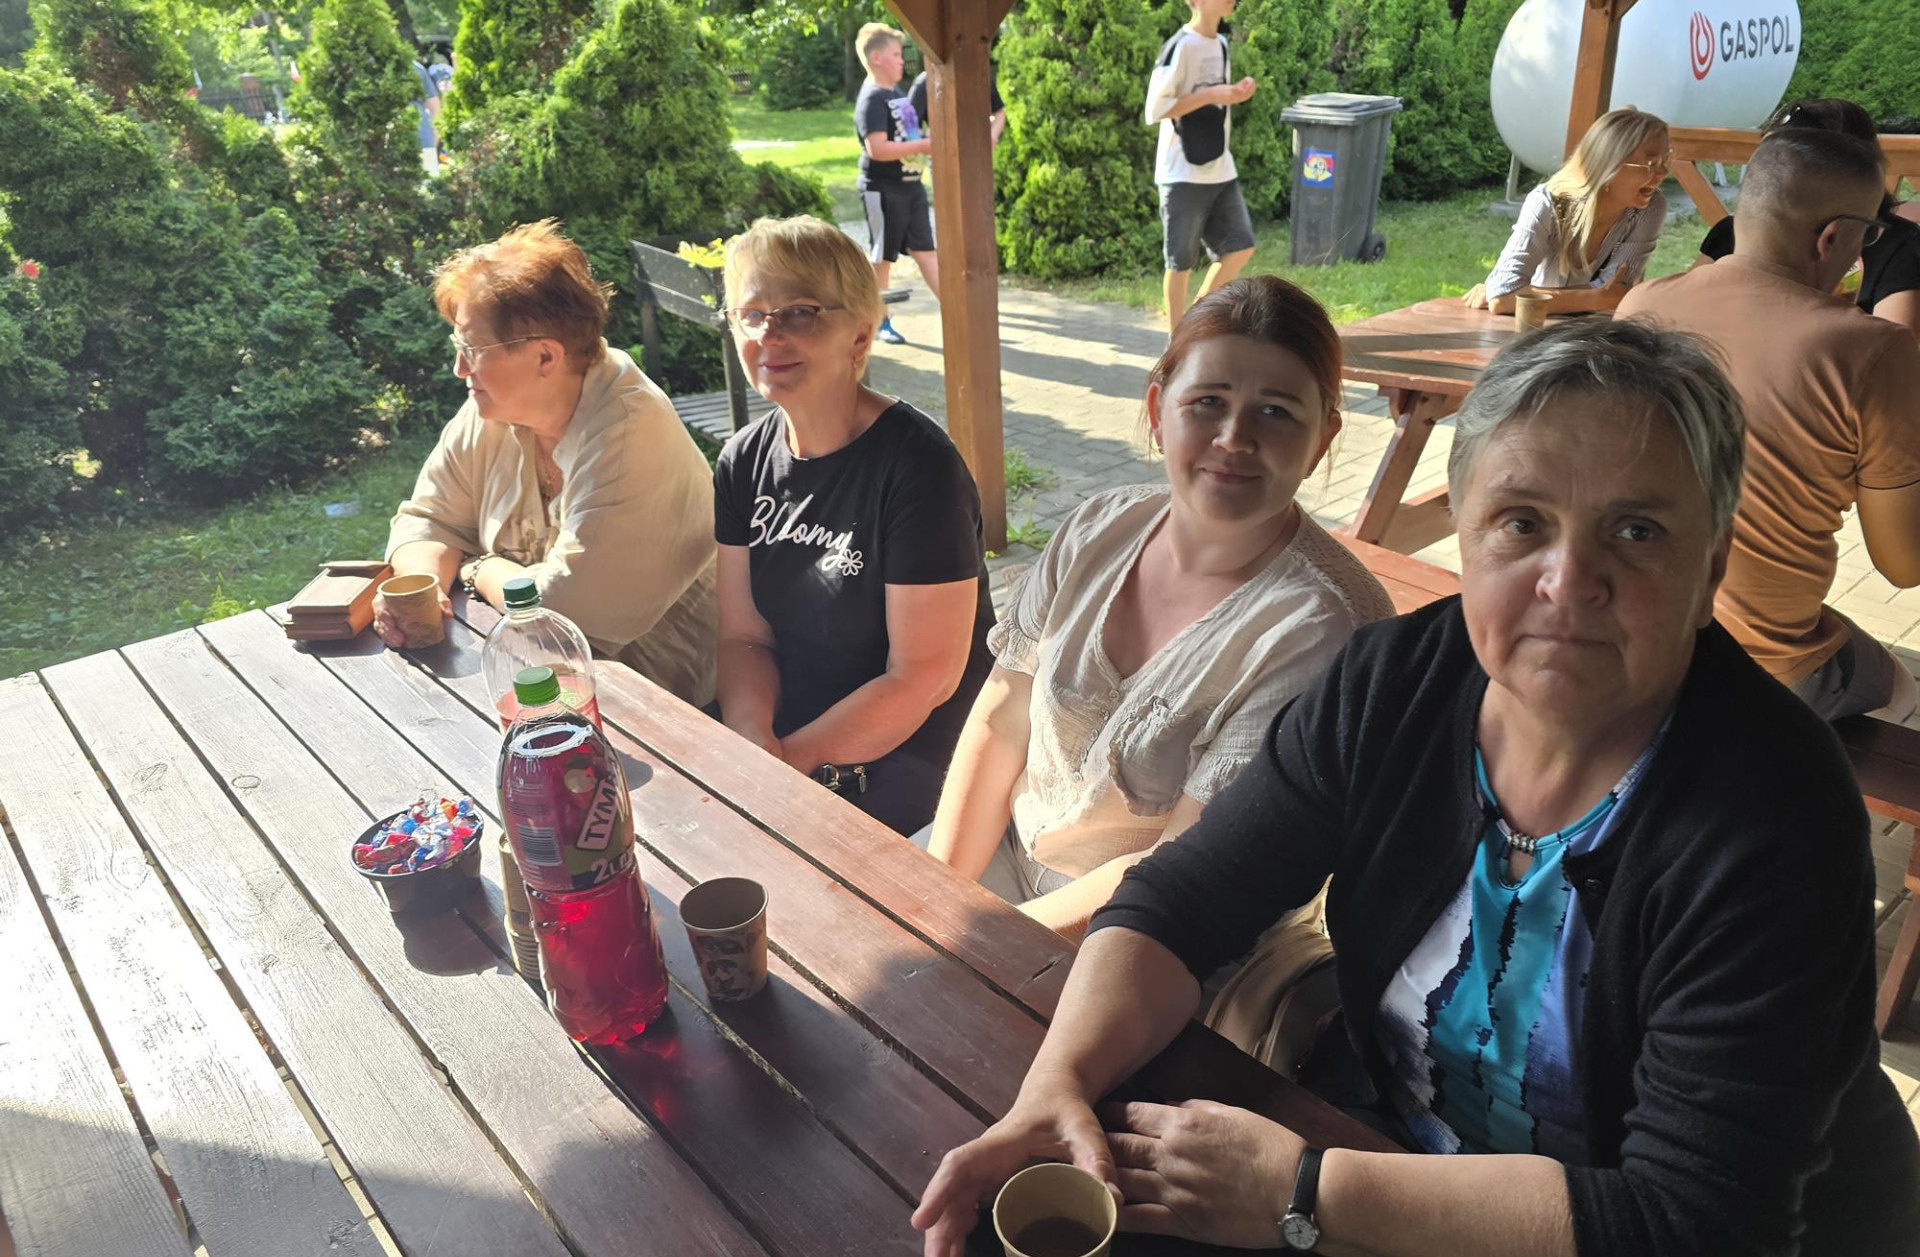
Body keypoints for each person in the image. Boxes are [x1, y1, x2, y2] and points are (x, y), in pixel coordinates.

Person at [912, 318, 1920, 1257]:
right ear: (1469, 536)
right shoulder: (1395, 681)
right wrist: (1053, 1088)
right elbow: (1182, 900)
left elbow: (1691, 1237)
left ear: (1711, 564)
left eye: (1637, 531)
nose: (1568, 581)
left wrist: (1302, 1192)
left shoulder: (1775, 816)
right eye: (1521, 522)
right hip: (1432, 1192)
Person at [922, 276, 1391, 939]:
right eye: (1208, 402)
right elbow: (1002, 718)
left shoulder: (1324, 628)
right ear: (1157, 409)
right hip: (1005, 858)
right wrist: (934, 897)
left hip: (1152, 939)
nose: (1235, 437)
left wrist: (967, 954)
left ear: (1321, 439)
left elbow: (1178, 867)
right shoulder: (1097, 528)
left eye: (1276, 411)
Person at [1621, 127, 1920, 721]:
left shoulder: (1640, 306)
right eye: (1867, 235)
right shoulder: (1873, 350)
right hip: (1762, 663)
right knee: (1904, 690)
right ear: (1834, 237)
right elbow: (1903, 564)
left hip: (1628, 633)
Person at [712, 215, 992, 836]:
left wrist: (786, 767)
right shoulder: (741, 462)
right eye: (751, 314)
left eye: (802, 312)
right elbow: (743, 637)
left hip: (914, 750)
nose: (769, 334)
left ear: (860, 336)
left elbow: (922, 680)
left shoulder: (920, 467)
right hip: (785, 729)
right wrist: (751, 740)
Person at [385, 218, 719, 707]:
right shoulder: (499, 407)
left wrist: (477, 568)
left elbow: (562, 615)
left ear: (545, 357)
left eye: (472, 349)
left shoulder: (629, 431)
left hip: (661, 706)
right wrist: (424, 587)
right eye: (458, 347)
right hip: (533, 675)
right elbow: (430, 519)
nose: (459, 368)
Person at [1693, 98, 1920, 343]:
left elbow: (1895, 348)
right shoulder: (1731, 232)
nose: (1770, 171)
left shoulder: (1900, 247)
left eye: (1787, 159)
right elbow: (1689, 312)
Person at [1462, 106, 1669, 315]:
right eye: (1651, 164)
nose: (1663, 172)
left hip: (1594, 329)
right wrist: (1597, 298)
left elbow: (1619, 292)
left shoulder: (1649, 208)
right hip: (1533, 328)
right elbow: (1503, 298)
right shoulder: (1547, 203)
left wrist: (1524, 296)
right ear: (1609, 165)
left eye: (1666, 160)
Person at [1144, 0, 1257, 334]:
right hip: (1181, 172)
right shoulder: (1179, 47)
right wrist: (1212, 94)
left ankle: (1195, 322)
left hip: (1220, 167)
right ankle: (1176, 343)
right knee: (1180, 263)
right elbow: (1155, 110)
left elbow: (1216, 99)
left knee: (1240, 248)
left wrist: (1233, 93)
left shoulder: (1220, 43)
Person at [853, 23, 942, 346]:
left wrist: (924, 143)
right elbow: (877, 149)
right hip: (883, 190)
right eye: (895, 54)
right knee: (883, 258)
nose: (902, 60)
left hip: (911, 188)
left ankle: (958, 311)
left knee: (926, 252)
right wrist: (923, 146)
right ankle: (881, 321)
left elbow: (911, 137)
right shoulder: (872, 99)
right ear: (877, 58)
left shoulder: (897, 94)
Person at [905, 64, 1007, 152]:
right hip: (942, 159)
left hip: (978, 156)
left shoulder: (981, 76)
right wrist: (926, 144)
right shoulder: (925, 82)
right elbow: (908, 125)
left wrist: (993, 136)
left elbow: (999, 112)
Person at [411, 54, 440, 174]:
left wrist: (434, 138)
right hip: (424, 139)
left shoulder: (416, 68)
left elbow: (434, 106)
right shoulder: (415, 67)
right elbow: (435, 108)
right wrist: (435, 137)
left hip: (423, 140)